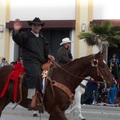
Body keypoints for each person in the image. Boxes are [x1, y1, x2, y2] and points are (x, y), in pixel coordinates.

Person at [12, 17, 55, 110]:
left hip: (41, 62)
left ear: (40, 27)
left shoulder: (42, 39)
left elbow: (47, 50)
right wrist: (16, 31)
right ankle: (30, 99)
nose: (36, 26)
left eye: (38, 25)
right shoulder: (25, 35)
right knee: (35, 75)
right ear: (31, 26)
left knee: (47, 76)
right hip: (30, 61)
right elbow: (17, 39)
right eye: (34, 25)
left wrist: (49, 55)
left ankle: (43, 98)